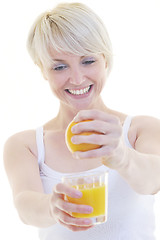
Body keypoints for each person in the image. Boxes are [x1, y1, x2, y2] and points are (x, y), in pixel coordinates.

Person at [3, 2, 160, 240]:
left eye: (88, 61)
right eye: (59, 66)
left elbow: (153, 181)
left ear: (105, 60)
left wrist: (122, 156)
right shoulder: (26, 145)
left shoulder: (140, 130)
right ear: (43, 71)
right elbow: (25, 205)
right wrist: (52, 207)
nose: (77, 79)